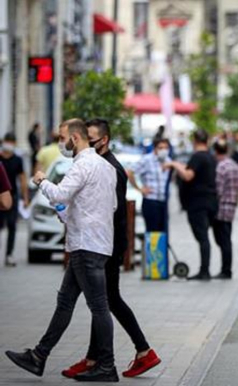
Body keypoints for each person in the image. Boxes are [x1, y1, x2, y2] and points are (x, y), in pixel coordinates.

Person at [5, 119, 119, 382]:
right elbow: (108, 205)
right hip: (96, 243)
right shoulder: (106, 167)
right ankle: (38, 356)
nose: (61, 142)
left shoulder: (81, 166)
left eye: (62, 137)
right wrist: (69, 216)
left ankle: (107, 366)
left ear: (75, 139)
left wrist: (41, 180)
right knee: (66, 302)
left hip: (85, 245)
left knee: (99, 307)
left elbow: (59, 195)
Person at [56, 119, 161, 379]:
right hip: (100, 243)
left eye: (90, 138)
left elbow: (107, 211)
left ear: (103, 140)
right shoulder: (96, 164)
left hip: (106, 245)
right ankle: (98, 357)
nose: (83, 142)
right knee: (102, 301)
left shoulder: (111, 168)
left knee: (105, 301)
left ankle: (139, 351)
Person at [166, 129, 218, 281]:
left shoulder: (197, 157)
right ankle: (205, 270)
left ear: (195, 141)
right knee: (204, 237)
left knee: (202, 238)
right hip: (210, 201)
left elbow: (188, 175)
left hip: (198, 203)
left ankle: (204, 271)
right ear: (207, 140)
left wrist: (175, 164)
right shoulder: (210, 157)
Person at [129, 138, 172, 232]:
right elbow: (130, 172)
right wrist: (139, 189)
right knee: (153, 232)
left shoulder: (168, 160)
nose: (164, 150)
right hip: (151, 201)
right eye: (161, 148)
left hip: (163, 201)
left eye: (166, 148)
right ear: (155, 148)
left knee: (163, 232)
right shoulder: (147, 160)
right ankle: (152, 247)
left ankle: (161, 247)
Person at [212, 140, 238, 279]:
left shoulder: (220, 167)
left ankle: (226, 270)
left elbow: (218, 189)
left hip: (222, 206)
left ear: (216, 151)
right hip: (231, 205)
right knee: (227, 238)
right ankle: (226, 269)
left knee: (223, 240)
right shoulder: (235, 165)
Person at [0, 133, 30, 267]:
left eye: (12, 142)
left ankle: (9, 254)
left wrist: (25, 197)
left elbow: (22, 179)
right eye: (8, 141)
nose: (9, 144)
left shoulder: (17, 160)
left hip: (12, 195)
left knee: (12, 225)